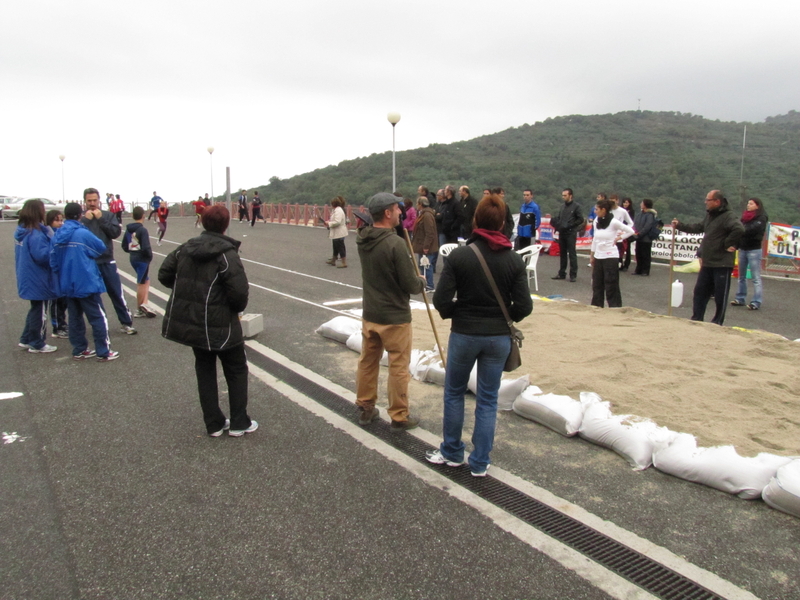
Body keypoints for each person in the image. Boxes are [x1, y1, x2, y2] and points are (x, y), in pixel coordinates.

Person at [428, 194, 532, 477]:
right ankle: (480, 461)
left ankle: (451, 452)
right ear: (502, 223)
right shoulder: (513, 260)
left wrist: (457, 312)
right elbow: (525, 305)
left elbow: (441, 300)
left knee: (454, 393)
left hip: (464, 333)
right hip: (498, 337)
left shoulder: (460, 256)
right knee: (487, 400)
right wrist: (506, 316)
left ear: (475, 220)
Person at [159, 205, 256, 437]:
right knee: (236, 369)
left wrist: (189, 293)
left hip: (195, 321)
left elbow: (164, 275)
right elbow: (239, 293)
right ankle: (239, 422)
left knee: (204, 369)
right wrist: (230, 308)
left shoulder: (185, 249)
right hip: (222, 321)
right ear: (225, 224)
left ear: (202, 222)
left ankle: (213, 423)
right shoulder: (226, 253)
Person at [355, 192, 425, 431]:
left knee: (368, 361)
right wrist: (421, 281)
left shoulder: (363, 238)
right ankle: (399, 415)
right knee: (398, 365)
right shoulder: (395, 243)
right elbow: (410, 285)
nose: (400, 212)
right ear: (387, 213)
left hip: (371, 313)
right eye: (396, 209)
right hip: (394, 316)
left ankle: (365, 406)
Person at [50, 203, 119, 361]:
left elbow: (53, 261)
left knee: (74, 317)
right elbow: (100, 247)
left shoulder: (57, 235)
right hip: (85, 281)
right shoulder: (82, 233)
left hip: (67, 282)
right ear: (80, 215)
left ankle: (79, 349)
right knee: (98, 317)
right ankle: (103, 350)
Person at [672, 190, 744, 325]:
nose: (705, 202)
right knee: (700, 291)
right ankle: (697, 318)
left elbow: (739, 229)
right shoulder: (710, 216)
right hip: (707, 261)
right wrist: (680, 225)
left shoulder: (728, 216)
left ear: (717, 202)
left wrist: (727, 243)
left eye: (708, 200)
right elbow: (699, 227)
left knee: (720, 295)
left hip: (722, 263)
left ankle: (717, 322)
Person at [80, 187, 137, 335]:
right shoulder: (82, 218)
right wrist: (86, 220)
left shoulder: (108, 215)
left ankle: (126, 322)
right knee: (93, 296)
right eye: (89, 201)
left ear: (99, 200)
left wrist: (101, 219)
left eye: (95, 200)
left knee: (116, 292)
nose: (92, 203)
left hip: (107, 260)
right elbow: (77, 235)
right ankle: (100, 324)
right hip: (89, 262)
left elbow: (115, 233)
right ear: (85, 201)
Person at [15, 199, 59, 353]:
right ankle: (37, 342)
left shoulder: (23, 230)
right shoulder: (36, 234)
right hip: (38, 277)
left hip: (28, 275)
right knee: (40, 310)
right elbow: (42, 256)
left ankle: (26, 338)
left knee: (35, 308)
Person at [590, 198, 635, 308]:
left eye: (597, 209)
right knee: (597, 283)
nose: (595, 211)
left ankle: (614, 307)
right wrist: (592, 255)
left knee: (611, 283)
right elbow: (595, 238)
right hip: (599, 255)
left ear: (603, 210)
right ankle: (596, 306)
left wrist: (620, 237)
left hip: (610, 256)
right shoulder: (596, 221)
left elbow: (631, 230)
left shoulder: (613, 221)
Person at [731, 198, 768, 310]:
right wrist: (736, 245)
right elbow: (738, 231)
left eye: (751, 203)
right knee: (741, 276)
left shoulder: (761, 217)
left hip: (754, 250)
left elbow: (752, 230)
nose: (748, 205)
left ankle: (756, 301)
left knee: (755, 277)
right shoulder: (744, 217)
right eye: (748, 203)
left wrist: (742, 229)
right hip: (743, 248)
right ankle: (740, 298)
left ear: (757, 206)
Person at [122, 206, 157, 318]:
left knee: (146, 280)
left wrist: (132, 250)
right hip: (142, 259)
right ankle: (139, 309)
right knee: (141, 283)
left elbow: (124, 245)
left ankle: (144, 304)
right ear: (143, 216)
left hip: (133, 257)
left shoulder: (128, 230)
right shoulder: (142, 230)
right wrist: (149, 256)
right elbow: (146, 247)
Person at [45, 209, 69, 339]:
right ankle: (56, 327)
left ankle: (62, 323)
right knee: (56, 302)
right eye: (56, 220)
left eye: (61, 220)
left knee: (64, 301)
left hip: (63, 273)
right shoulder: (49, 235)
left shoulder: (62, 234)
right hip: (54, 274)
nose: (60, 223)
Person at [551, 188, 583, 282]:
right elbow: (559, 218)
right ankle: (562, 273)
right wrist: (555, 222)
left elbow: (580, 219)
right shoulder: (562, 207)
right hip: (562, 232)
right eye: (563, 195)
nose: (563, 197)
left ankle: (573, 274)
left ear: (570, 196)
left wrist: (571, 225)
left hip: (571, 232)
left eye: (565, 195)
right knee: (562, 253)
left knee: (572, 253)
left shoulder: (576, 206)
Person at [411, 196, 439, 292]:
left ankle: (429, 285)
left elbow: (429, 232)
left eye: (417, 203)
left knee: (426, 265)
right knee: (423, 265)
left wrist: (426, 246)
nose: (416, 205)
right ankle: (426, 284)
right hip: (422, 244)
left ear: (421, 204)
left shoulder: (426, 215)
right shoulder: (424, 214)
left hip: (425, 245)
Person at [632, 199, 658, 276]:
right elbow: (635, 223)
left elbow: (648, 226)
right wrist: (635, 232)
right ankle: (638, 269)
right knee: (638, 253)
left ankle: (645, 270)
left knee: (645, 254)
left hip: (646, 239)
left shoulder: (650, 215)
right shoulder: (640, 214)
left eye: (642, 203)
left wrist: (640, 233)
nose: (641, 204)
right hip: (638, 237)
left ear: (645, 205)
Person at [325, 195, 348, 268]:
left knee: (340, 247)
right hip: (337, 232)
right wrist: (329, 222)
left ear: (333, 204)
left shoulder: (338, 211)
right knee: (335, 246)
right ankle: (333, 260)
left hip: (339, 232)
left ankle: (344, 262)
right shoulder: (338, 210)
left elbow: (337, 222)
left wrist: (329, 223)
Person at [619, 197, 636, 271]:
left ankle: (626, 264)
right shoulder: (620, 210)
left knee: (627, 249)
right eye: (624, 202)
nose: (625, 204)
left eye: (627, 202)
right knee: (620, 248)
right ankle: (620, 263)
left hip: (627, 230)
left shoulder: (631, 211)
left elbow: (630, 221)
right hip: (620, 230)